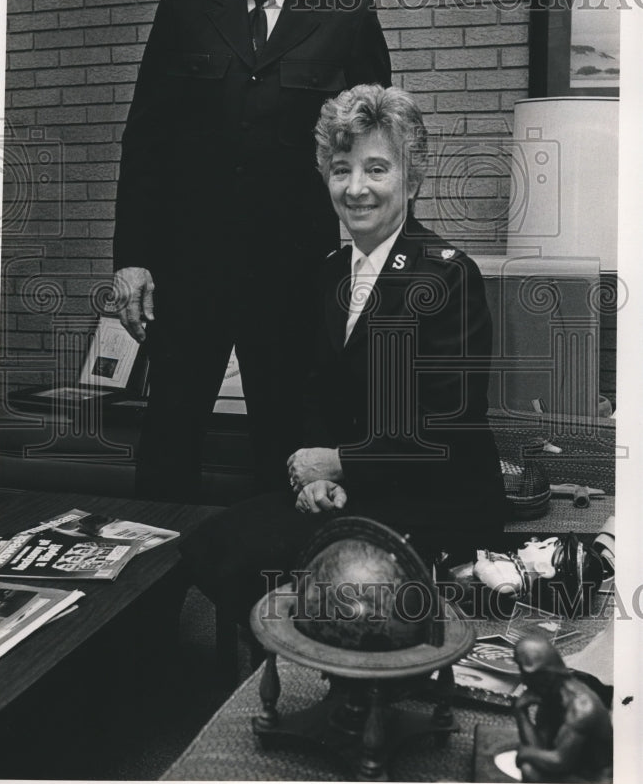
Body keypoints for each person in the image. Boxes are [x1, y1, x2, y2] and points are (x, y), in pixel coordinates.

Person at [112, 0, 391, 501]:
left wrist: (367, 267)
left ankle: (273, 594)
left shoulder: (348, 14)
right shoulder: (186, 6)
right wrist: (132, 258)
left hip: (297, 278)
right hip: (189, 273)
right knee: (168, 442)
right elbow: (146, 139)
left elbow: (374, 161)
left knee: (287, 447)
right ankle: (154, 598)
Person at [180, 84, 506, 623]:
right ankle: (271, 681)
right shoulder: (329, 272)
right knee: (210, 545)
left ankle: (312, 678)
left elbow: (447, 426)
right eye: (341, 169)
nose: (356, 188)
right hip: (353, 489)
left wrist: (339, 464)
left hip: (437, 499)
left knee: (258, 559)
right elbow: (318, 394)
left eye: (377, 169)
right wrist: (320, 477)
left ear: (413, 177)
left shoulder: (448, 275)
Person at [513, 634, 613, 783]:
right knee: (530, 767)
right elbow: (540, 747)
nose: (523, 680)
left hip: (596, 777)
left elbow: (560, 762)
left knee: (530, 771)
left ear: (545, 677)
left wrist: (524, 753)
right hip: (575, 766)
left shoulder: (581, 708)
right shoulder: (552, 695)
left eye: (526, 675)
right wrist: (521, 713)